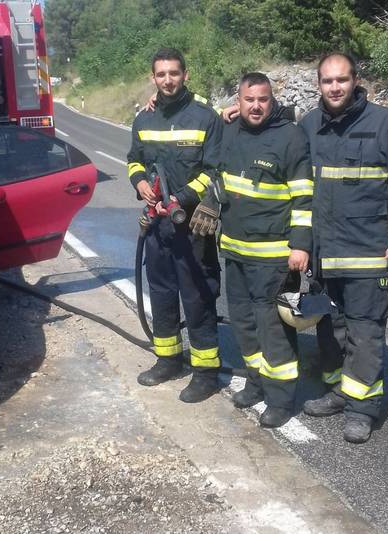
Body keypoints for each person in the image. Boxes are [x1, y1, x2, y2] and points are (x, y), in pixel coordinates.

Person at [297, 53, 388, 443]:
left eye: (342, 80)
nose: (334, 87)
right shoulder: (308, 125)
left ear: (355, 81)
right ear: (318, 84)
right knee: (329, 329)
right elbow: (271, 140)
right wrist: (233, 112)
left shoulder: (383, 123)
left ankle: (362, 408)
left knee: (365, 333)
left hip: (367, 254)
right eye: (327, 81)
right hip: (322, 256)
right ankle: (338, 392)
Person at [191, 72, 313, 427]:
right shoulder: (229, 131)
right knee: (244, 324)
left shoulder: (291, 137)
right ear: (238, 101)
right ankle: (257, 384)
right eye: (249, 99)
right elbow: (213, 168)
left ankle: (280, 399)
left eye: (262, 99)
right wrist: (211, 199)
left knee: (272, 328)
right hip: (235, 252)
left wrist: (300, 245)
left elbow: (304, 196)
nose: (256, 106)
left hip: (273, 257)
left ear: (271, 100)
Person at [126, 48, 224, 402]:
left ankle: (206, 373)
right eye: (161, 74)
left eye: (174, 73)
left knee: (198, 298)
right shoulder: (144, 119)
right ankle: (167, 359)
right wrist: (139, 183)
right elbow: (134, 160)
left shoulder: (204, 118)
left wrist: (180, 199)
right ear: (153, 78)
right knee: (162, 294)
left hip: (192, 228)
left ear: (186, 75)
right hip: (156, 228)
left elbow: (214, 171)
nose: (168, 80)